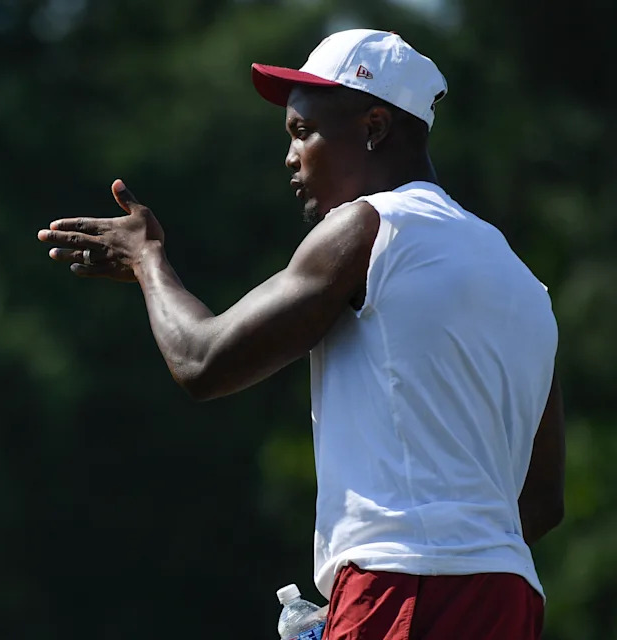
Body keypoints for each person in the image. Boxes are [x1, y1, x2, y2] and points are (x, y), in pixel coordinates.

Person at [38, 29, 564, 639]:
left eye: (302, 132)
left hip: (403, 586)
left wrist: (147, 260)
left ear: (373, 126)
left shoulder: (368, 226)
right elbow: (541, 502)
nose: (290, 157)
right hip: (510, 595)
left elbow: (202, 360)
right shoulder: (521, 279)